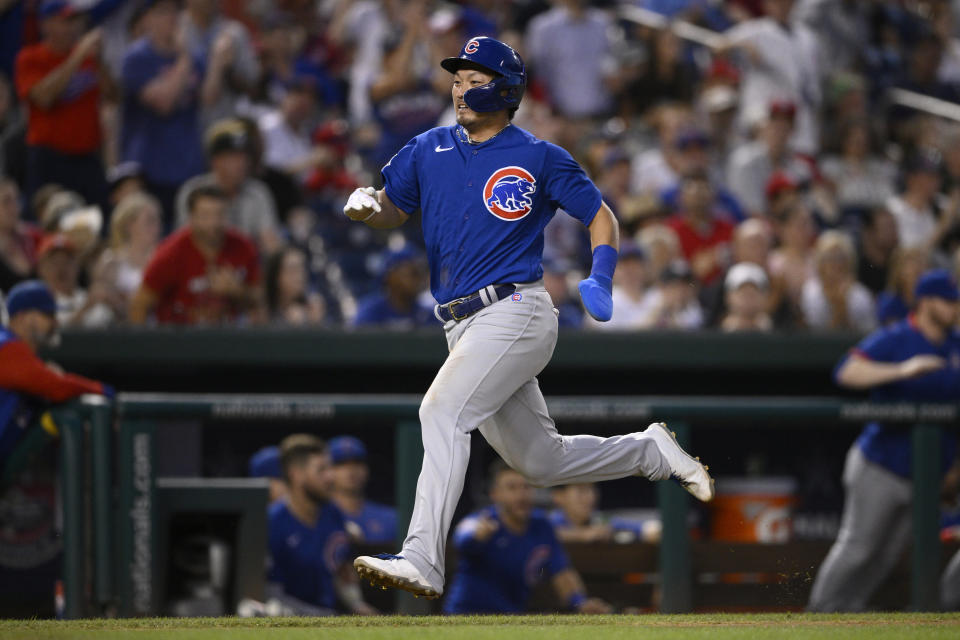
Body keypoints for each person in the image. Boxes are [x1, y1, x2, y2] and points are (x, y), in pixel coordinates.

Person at [347, 36, 714, 600]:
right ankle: (650, 450)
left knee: (441, 412)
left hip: (515, 308)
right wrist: (371, 208)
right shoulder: (427, 147)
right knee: (541, 462)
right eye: (457, 79)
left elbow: (601, 216)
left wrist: (601, 275)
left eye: (475, 80)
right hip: (460, 324)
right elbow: (392, 209)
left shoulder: (540, 156)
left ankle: (422, 556)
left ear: (507, 89)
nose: (460, 89)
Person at [807, 269, 960, 612]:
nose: (955, 309)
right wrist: (903, 370)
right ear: (925, 302)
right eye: (948, 302)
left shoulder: (955, 345)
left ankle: (850, 614)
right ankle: (818, 615)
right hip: (880, 463)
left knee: (888, 555)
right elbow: (846, 371)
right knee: (859, 548)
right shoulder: (897, 337)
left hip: (927, 474)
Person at [443, 461, 612, 614]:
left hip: (511, 619)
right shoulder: (485, 521)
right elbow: (463, 536)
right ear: (495, 494)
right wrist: (476, 536)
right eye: (512, 488)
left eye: (526, 487)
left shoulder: (541, 526)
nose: (521, 495)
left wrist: (580, 603)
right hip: (465, 615)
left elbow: (561, 571)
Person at [0, 280, 110, 468]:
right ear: (24, 317)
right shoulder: (6, 347)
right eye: (48, 314)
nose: (55, 322)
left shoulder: (19, 354)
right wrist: (104, 391)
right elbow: (57, 386)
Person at [267, 434, 376, 615]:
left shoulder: (332, 513)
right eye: (321, 470)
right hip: (285, 622)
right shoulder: (272, 522)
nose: (330, 477)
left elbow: (342, 570)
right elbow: (269, 596)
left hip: (328, 616)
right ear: (296, 474)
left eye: (330, 468)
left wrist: (357, 605)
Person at [120, 0, 208, 221]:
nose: (172, 17)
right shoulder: (137, 58)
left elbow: (208, 99)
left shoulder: (195, 56)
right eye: (163, 11)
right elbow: (164, 104)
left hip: (189, 165)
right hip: (150, 169)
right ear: (147, 18)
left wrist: (217, 60)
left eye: (176, 10)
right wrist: (184, 57)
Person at [15, 1, 108, 207]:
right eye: (65, 21)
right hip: (50, 158)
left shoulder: (90, 57)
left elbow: (113, 96)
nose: (73, 27)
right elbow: (44, 98)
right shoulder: (30, 58)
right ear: (46, 25)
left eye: (75, 20)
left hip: (87, 157)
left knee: (97, 225)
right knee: (50, 225)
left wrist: (100, 62)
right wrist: (77, 57)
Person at [129, 185, 262, 326]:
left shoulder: (243, 247)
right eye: (206, 215)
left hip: (230, 337)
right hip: (180, 339)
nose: (214, 223)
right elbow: (139, 305)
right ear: (191, 217)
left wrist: (237, 290)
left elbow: (260, 301)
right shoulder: (170, 254)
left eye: (220, 214)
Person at [175, 119, 281, 252]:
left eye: (244, 157)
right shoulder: (193, 191)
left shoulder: (258, 193)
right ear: (215, 161)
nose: (242, 163)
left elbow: (270, 243)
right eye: (234, 157)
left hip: (248, 266)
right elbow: (184, 243)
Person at [327, 435, 397, 545]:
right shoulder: (318, 516)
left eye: (357, 463)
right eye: (341, 464)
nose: (351, 470)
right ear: (327, 471)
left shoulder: (390, 518)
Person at [353, 246, 434, 329]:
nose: (418, 281)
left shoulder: (426, 315)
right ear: (390, 277)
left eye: (420, 275)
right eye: (413, 274)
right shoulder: (371, 312)